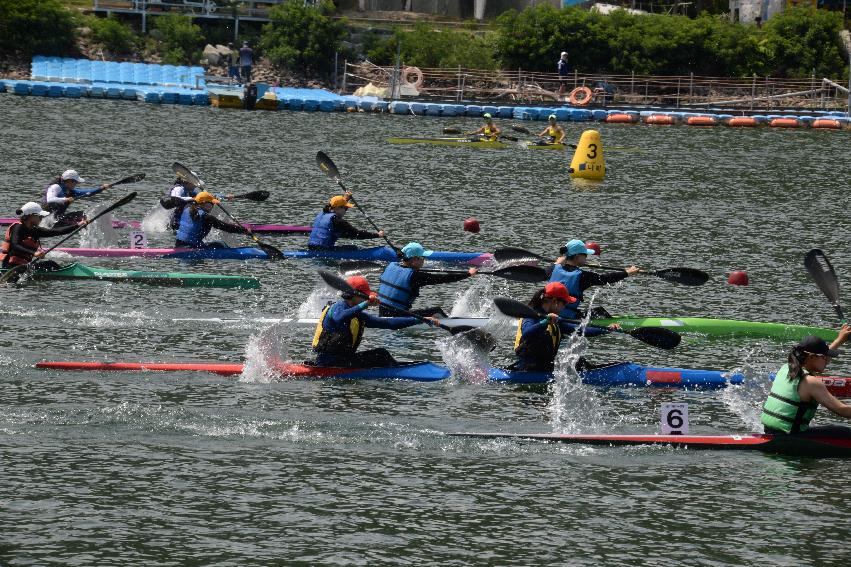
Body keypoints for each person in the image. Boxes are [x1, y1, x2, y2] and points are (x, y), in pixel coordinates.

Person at [312, 275, 438, 367]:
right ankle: (398, 370)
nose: (367, 298)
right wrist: (365, 304)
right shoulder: (338, 307)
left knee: (380, 354)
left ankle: (396, 368)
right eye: (365, 295)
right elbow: (340, 317)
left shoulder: (358, 315)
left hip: (343, 360)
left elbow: (388, 323)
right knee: (380, 355)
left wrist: (419, 320)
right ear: (355, 295)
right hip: (328, 362)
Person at [761, 331, 851, 436]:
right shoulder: (811, 383)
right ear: (811, 357)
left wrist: (840, 340)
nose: (826, 360)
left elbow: (821, 358)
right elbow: (843, 410)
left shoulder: (786, 368)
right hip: (792, 436)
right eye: (824, 357)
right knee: (843, 432)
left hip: (771, 430)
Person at [510, 282, 614, 372]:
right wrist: (545, 322)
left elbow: (581, 330)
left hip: (544, 365)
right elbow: (527, 334)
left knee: (579, 362)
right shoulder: (531, 316)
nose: (564, 307)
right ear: (555, 301)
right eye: (564, 303)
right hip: (529, 366)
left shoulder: (555, 319)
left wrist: (607, 329)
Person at [377, 241, 478, 318]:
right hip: (398, 318)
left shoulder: (390, 266)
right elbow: (443, 278)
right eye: (422, 258)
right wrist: (468, 274)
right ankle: (452, 324)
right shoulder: (414, 276)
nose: (423, 261)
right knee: (436, 311)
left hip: (382, 315)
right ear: (414, 260)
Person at [548, 239, 640, 319]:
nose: (586, 258)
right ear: (577, 257)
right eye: (585, 256)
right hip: (567, 318)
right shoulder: (582, 276)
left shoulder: (554, 268)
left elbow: (546, 271)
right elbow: (605, 278)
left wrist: (556, 263)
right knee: (600, 312)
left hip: (547, 313)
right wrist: (627, 273)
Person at [1, 202, 87, 276]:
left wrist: (78, 225)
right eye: (40, 217)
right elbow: (15, 245)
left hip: (22, 267)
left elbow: (56, 231)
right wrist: (34, 253)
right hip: (10, 267)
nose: (41, 219)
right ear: (31, 216)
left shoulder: (34, 230)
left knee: (51, 264)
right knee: (50, 264)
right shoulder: (18, 227)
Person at [307, 193, 385, 251]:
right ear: (338, 208)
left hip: (311, 247)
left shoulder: (322, 213)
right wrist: (377, 235)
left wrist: (346, 199)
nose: (345, 211)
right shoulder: (339, 221)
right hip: (324, 250)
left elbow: (338, 207)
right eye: (345, 208)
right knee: (353, 248)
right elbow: (357, 234)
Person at [174, 192, 250, 248]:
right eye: (212, 203)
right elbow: (226, 227)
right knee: (221, 244)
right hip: (193, 247)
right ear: (204, 203)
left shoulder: (187, 207)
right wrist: (244, 230)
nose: (213, 206)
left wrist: (214, 197)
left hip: (178, 245)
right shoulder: (206, 217)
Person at [43, 169, 109, 227]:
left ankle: (98, 221)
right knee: (84, 216)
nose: (76, 184)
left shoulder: (71, 191)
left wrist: (101, 188)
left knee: (86, 214)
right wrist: (66, 199)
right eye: (76, 182)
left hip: (59, 219)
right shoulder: (55, 187)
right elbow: (50, 200)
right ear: (69, 181)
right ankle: (88, 222)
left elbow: (88, 193)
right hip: (49, 221)